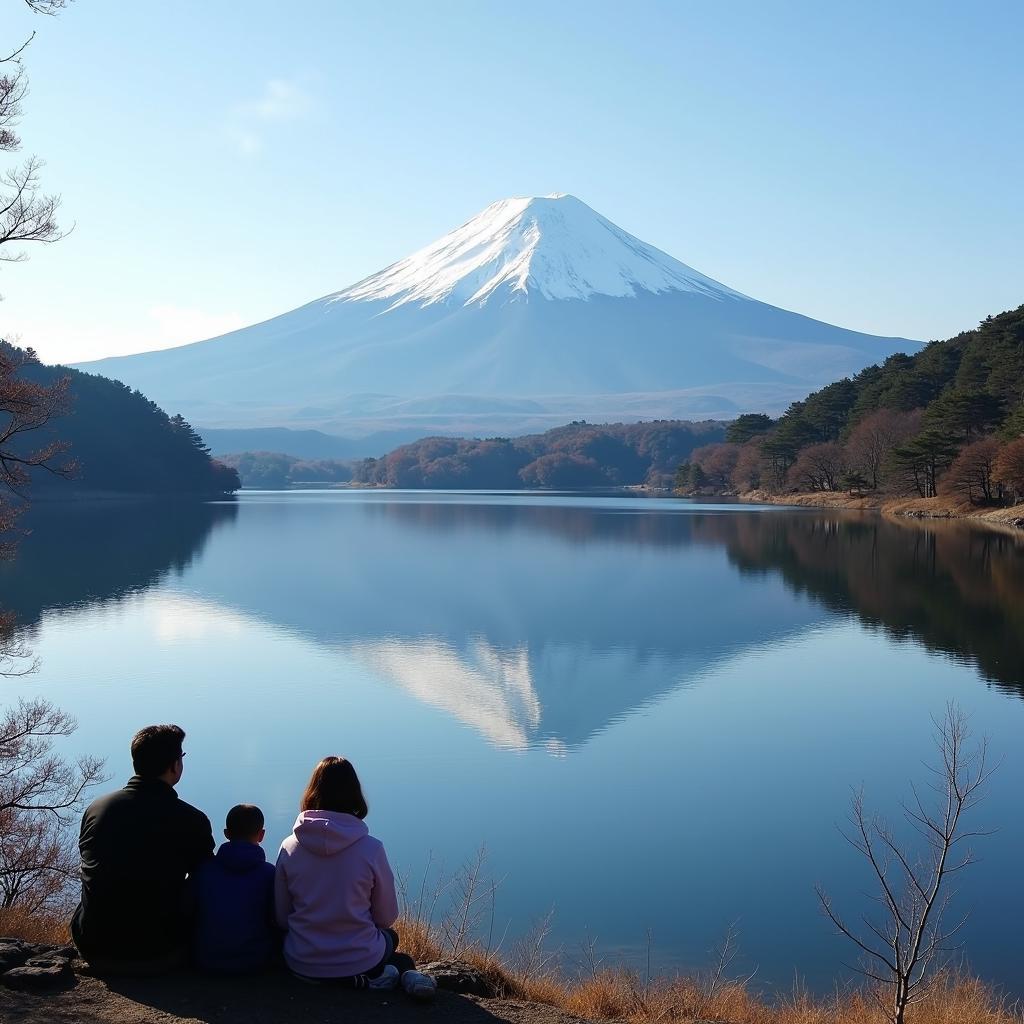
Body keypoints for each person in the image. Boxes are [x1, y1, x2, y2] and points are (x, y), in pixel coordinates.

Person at [274, 756, 437, 999]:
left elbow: (282, 918)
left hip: (301, 962)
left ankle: (350, 979)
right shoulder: (371, 849)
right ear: (354, 794)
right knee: (392, 939)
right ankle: (396, 977)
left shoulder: (288, 847)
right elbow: (386, 917)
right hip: (359, 958)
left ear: (312, 792)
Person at [71, 724, 214, 974]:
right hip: (162, 951)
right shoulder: (191, 820)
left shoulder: (98, 809)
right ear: (174, 765)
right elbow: (208, 878)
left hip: (94, 946)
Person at [193, 803, 278, 973]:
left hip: (207, 958)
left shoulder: (204, 870)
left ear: (226, 834)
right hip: (256, 959)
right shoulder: (269, 873)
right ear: (261, 835)